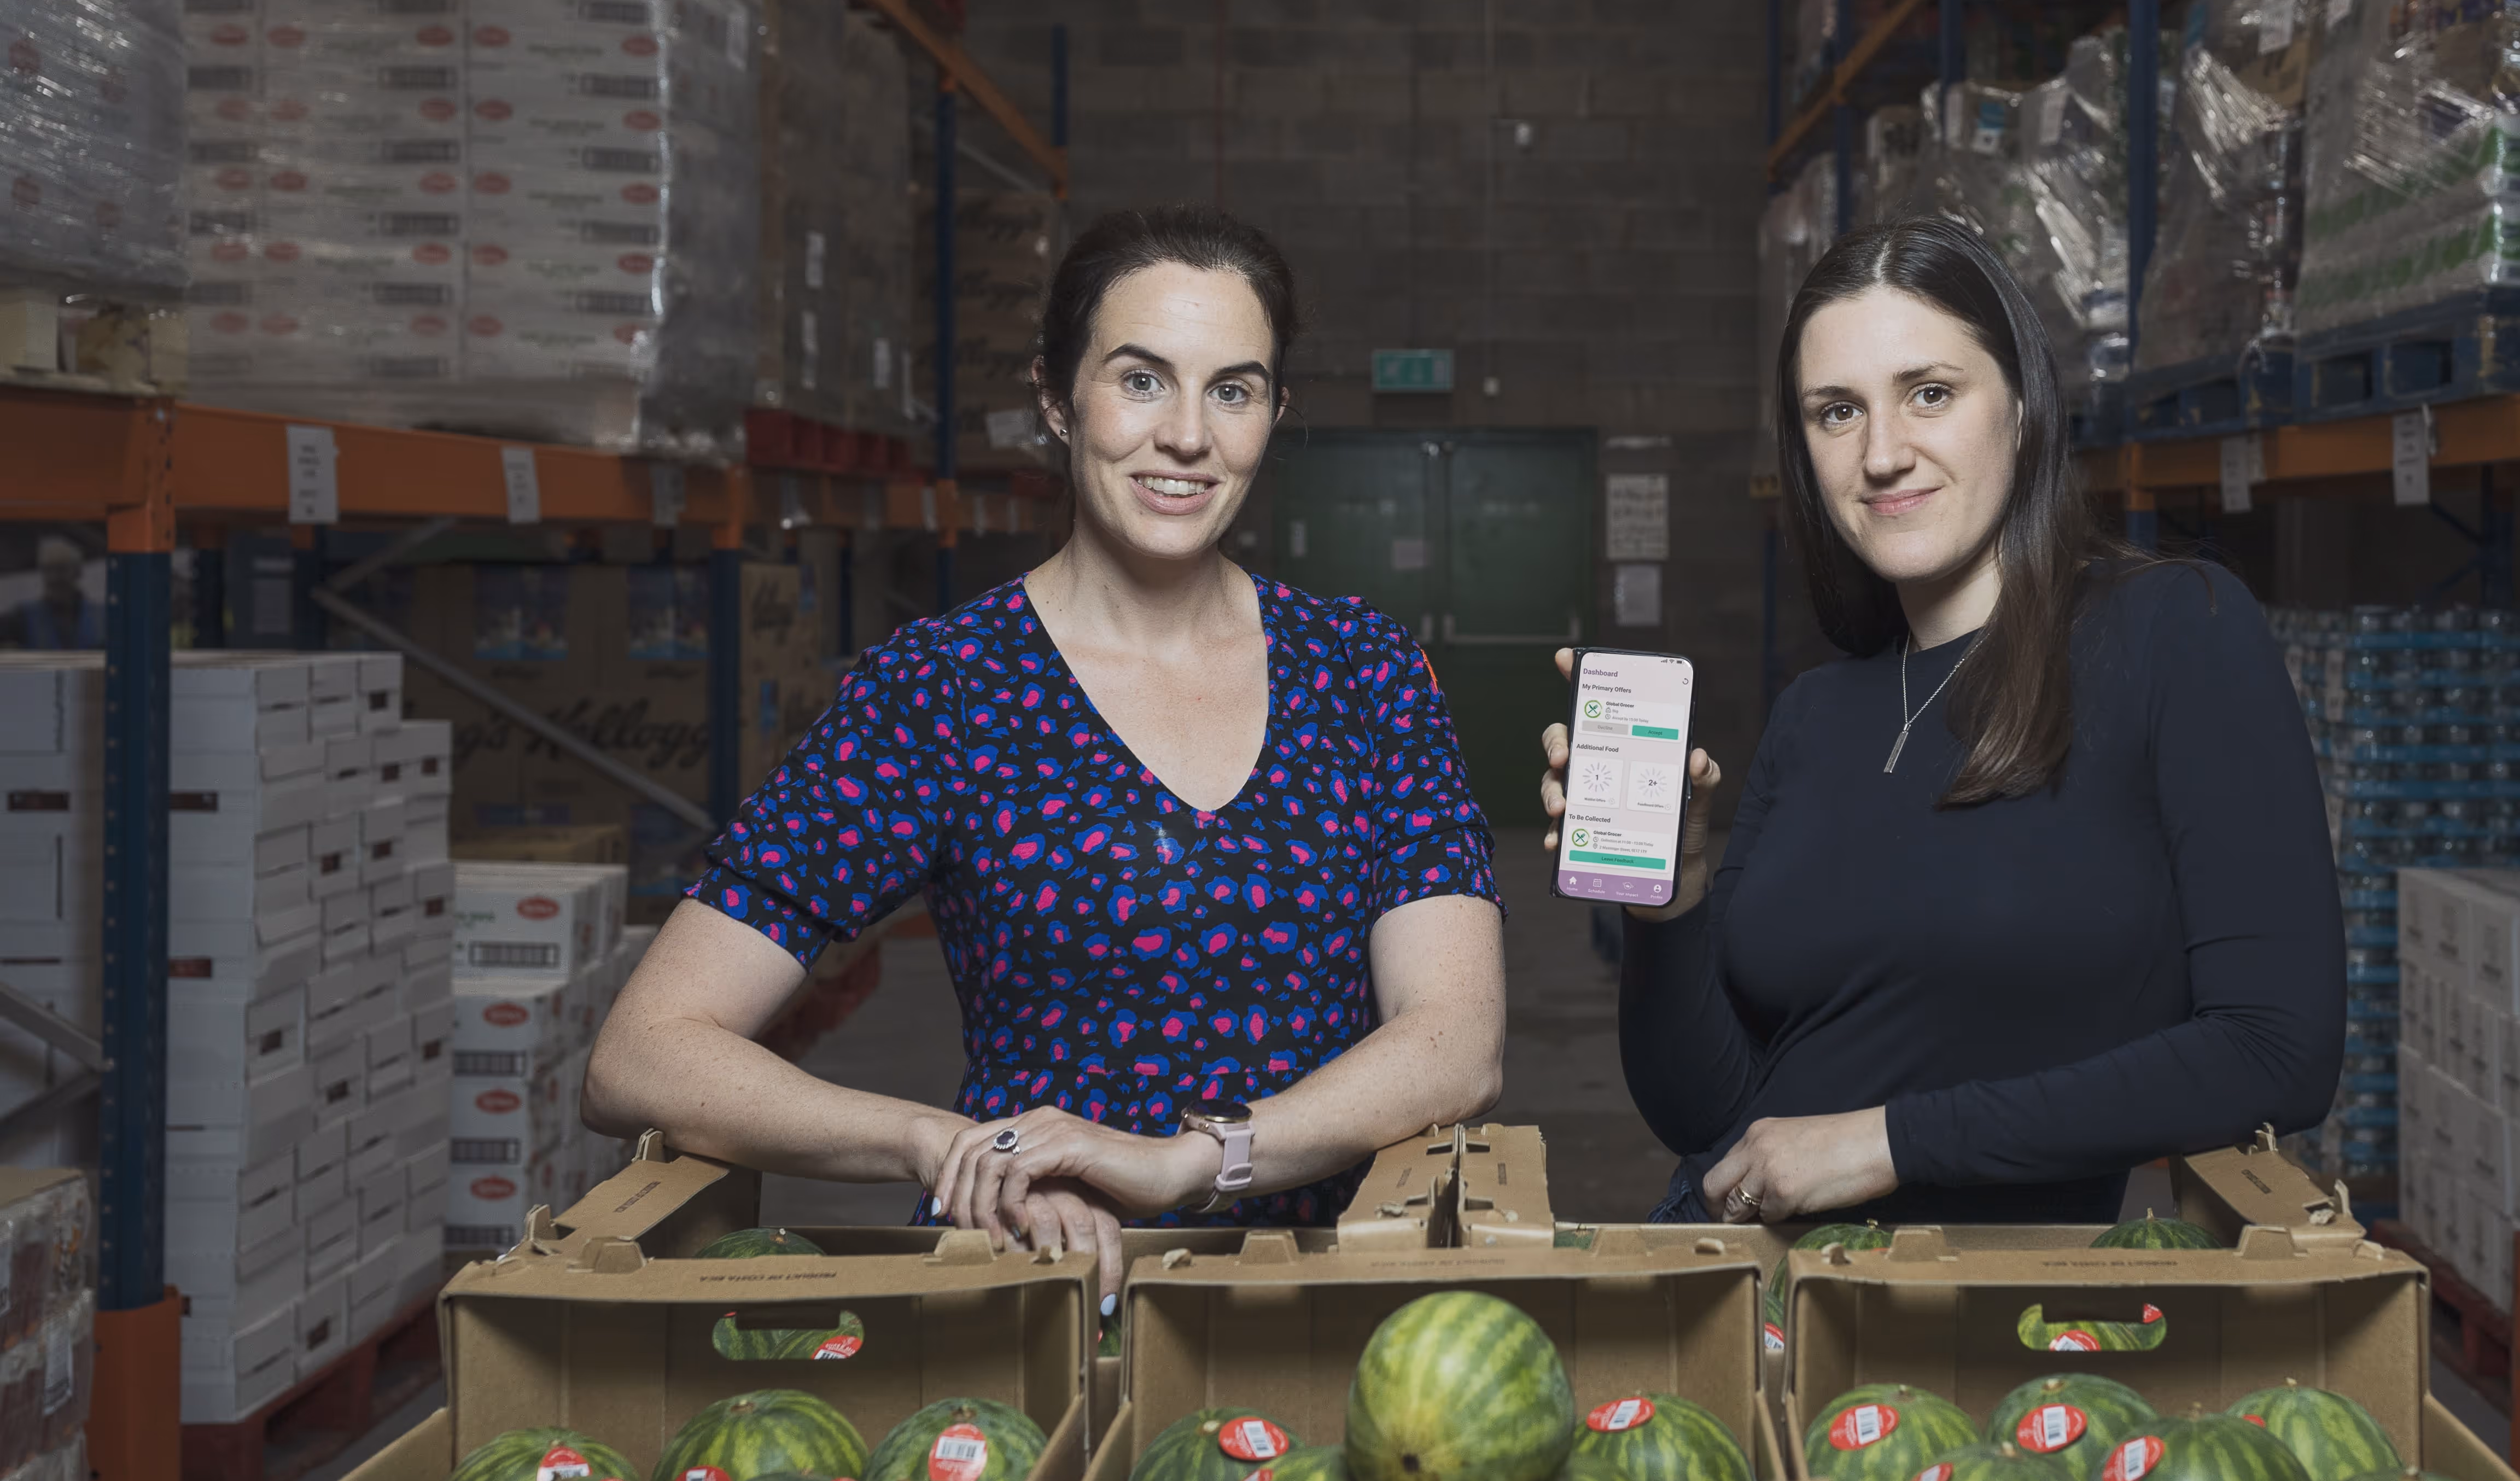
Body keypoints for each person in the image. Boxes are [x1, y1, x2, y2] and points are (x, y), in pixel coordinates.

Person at [587, 208, 1508, 1295]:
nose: (1187, 437)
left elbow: (1456, 1037)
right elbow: (642, 1051)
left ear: (1273, 413)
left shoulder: (1365, 672)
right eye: (1140, 379)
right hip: (1037, 1285)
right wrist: (941, 1144)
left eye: (1233, 389)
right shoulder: (944, 688)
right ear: (1053, 398)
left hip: (1317, 1294)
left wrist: (1193, 1160)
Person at [1542, 215, 2342, 1228]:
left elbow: (2277, 1052)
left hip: (1985, 1318)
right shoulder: (1816, 713)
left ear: (2021, 407)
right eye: (1836, 413)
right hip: (1754, 1288)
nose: (1882, 453)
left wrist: (1888, 1141)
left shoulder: (2175, 631)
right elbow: (1712, 1116)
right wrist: (1670, 903)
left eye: (1930, 393)